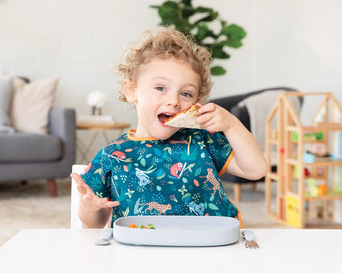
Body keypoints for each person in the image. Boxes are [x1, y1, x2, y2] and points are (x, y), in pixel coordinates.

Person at [71, 28, 267, 228]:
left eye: (186, 94)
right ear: (131, 91)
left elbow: (256, 170)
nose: (173, 101)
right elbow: (95, 224)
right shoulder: (111, 155)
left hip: (210, 247)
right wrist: (89, 207)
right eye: (160, 88)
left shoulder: (202, 140)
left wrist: (231, 124)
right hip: (141, 250)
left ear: (195, 103)